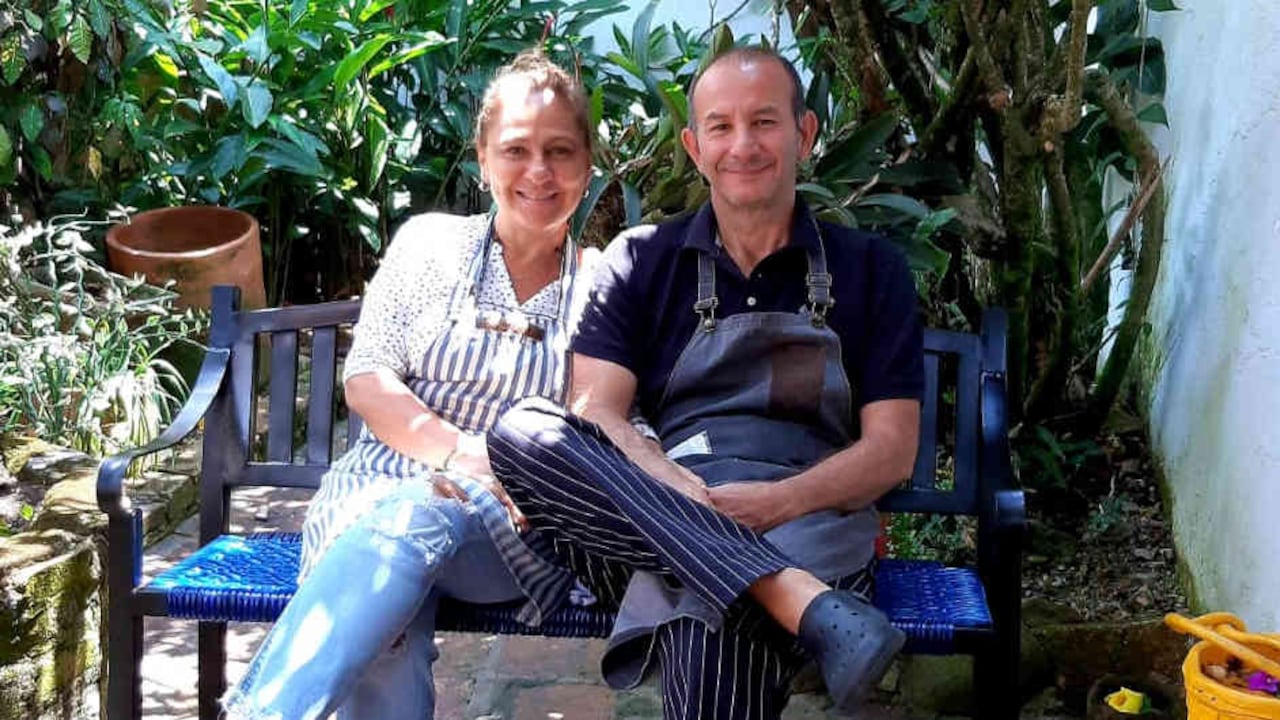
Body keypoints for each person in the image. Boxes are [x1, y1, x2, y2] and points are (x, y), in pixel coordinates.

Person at [488, 46, 924, 718]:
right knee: (525, 432)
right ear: (694, 147)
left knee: (704, 623)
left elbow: (891, 452)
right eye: (720, 126)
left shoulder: (872, 269)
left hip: (808, 523)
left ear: (805, 134)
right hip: (656, 510)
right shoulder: (640, 259)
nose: (742, 145)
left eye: (765, 123)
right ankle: (793, 598)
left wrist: (774, 504)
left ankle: (764, 579)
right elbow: (595, 410)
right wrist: (689, 499)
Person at [222, 50, 602, 720]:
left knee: (416, 518)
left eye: (560, 150)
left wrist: (493, 474)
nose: (538, 171)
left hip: (511, 528)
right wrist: (459, 456)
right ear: (483, 159)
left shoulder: (601, 286)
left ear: (586, 165)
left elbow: (596, 429)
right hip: (374, 489)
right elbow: (367, 378)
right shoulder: (431, 246)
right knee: (386, 623)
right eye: (516, 149)